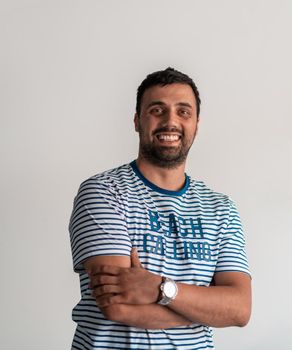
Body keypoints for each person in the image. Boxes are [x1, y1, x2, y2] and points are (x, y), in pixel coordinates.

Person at [69, 67, 252, 349]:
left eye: (183, 112)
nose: (170, 121)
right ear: (136, 121)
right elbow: (118, 307)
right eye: (157, 110)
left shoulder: (221, 208)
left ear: (196, 123)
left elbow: (239, 309)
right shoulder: (103, 191)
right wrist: (207, 310)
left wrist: (160, 288)